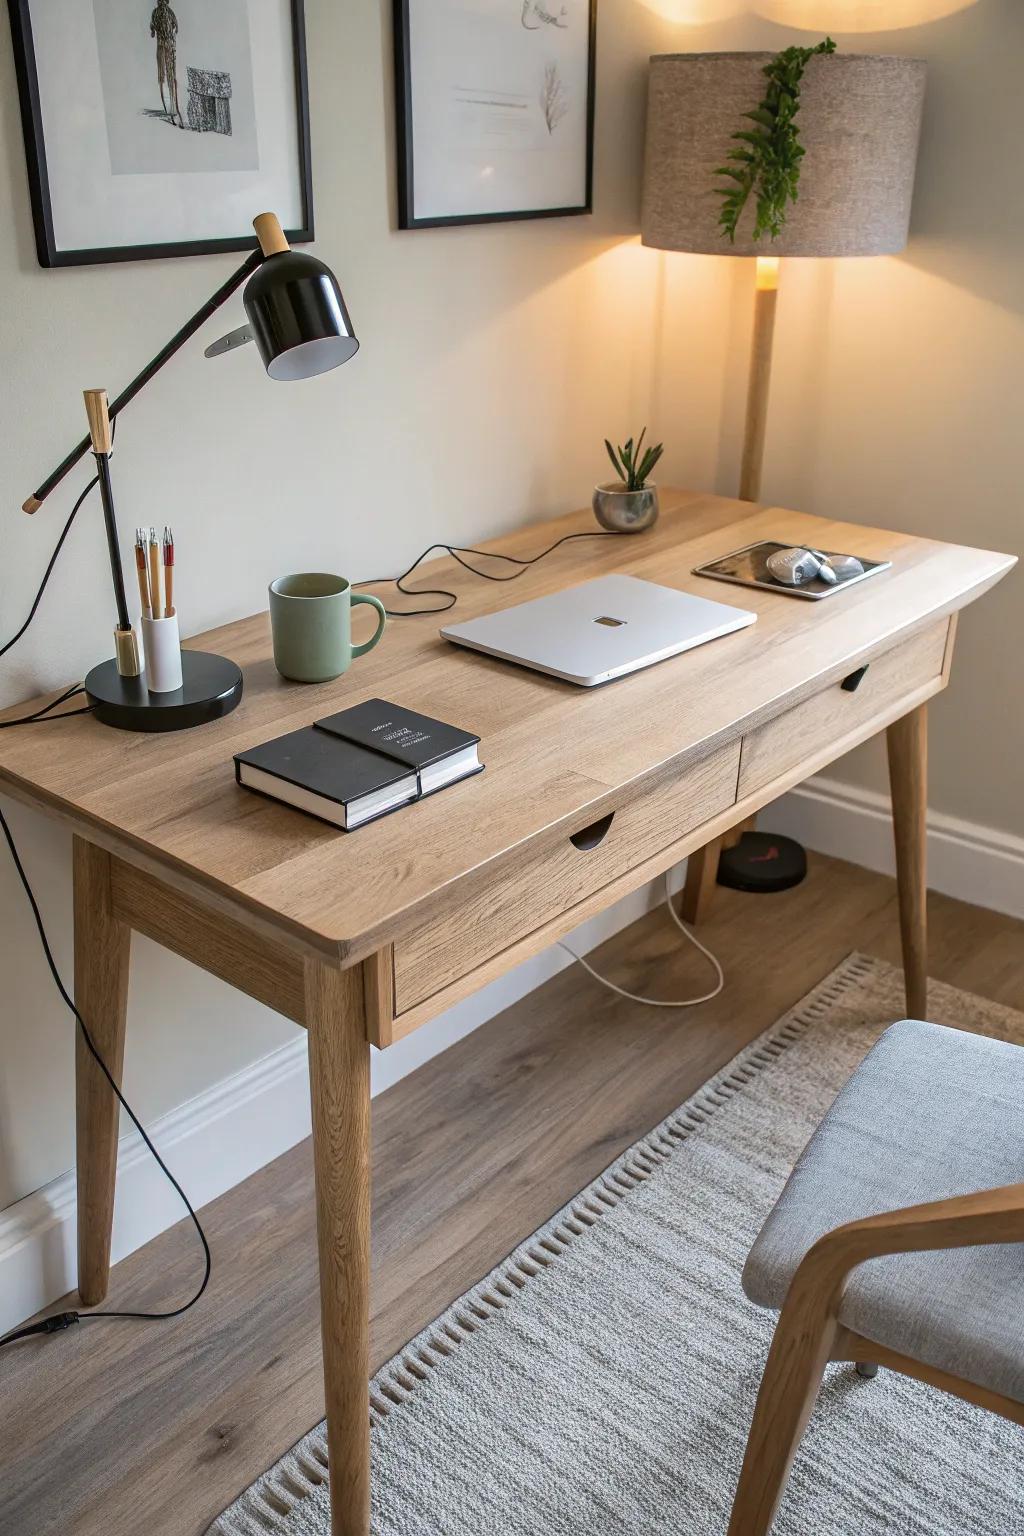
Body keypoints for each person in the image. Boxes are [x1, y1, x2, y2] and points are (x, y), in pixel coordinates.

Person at [150, 0, 184, 128]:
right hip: (167, 46)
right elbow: (176, 29)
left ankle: (172, 111)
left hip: (164, 46)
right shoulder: (168, 12)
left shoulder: (157, 12)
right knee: (167, 76)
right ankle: (172, 111)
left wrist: (159, 32)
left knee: (164, 77)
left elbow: (153, 32)